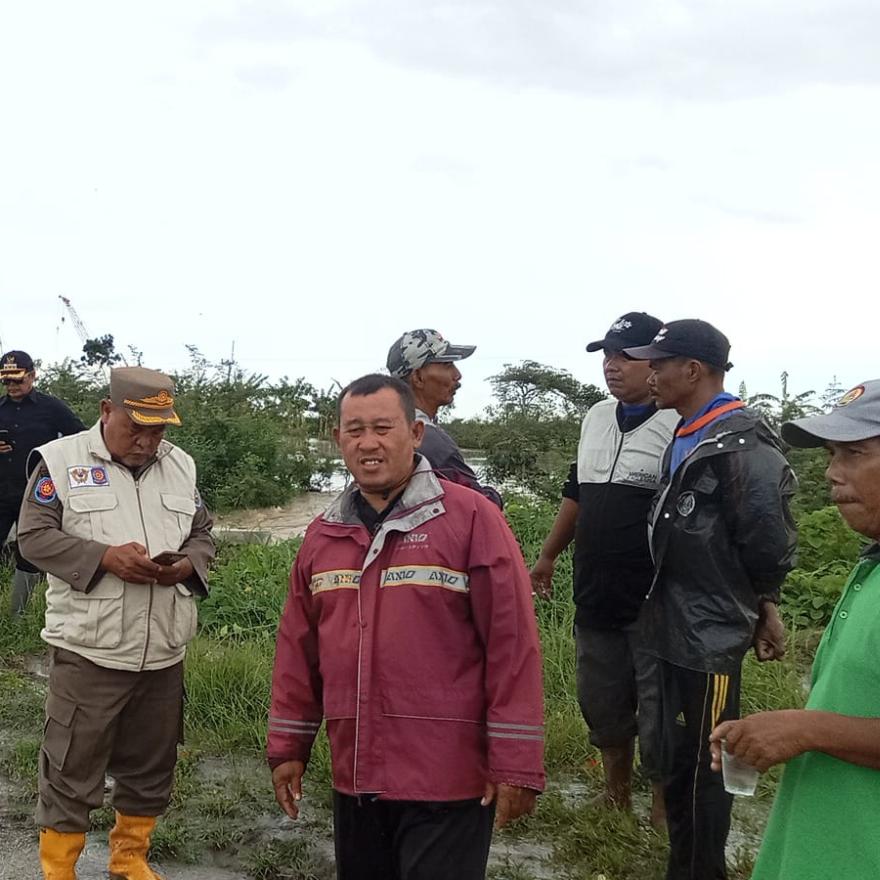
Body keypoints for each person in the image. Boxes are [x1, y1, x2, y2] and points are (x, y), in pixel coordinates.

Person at [268, 374, 544, 880]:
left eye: (382, 427)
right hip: (356, 774)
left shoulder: (472, 519)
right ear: (338, 440)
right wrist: (288, 746)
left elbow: (513, 646)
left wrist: (517, 761)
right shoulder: (323, 534)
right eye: (354, 430)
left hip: (449, 779)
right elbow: (298, 650)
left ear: (416, 433)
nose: (368, 443)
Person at [16, 366, 214, 880]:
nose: (148, 443)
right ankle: (59, 870)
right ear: (107, 412)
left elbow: (203, 532)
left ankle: (129, 860)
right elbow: (32, 538)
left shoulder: (181, 466)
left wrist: (189, 565)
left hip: (164, 652)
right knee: (70, 767)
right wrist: (105, 557)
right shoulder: (61, 463)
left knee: (151, 766)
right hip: (89, 651)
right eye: (137, 429)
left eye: (159, 431)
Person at [623, 320, 797, 880]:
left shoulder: (741, 440)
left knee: (710, 760)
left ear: (692, 370)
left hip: (713, 629)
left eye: (659, 363)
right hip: (671, 620)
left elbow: (766, 535)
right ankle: (684, 863)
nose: (650, 374)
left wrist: (764, 602)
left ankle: (702, 870)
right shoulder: (687, 430)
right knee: (676, 755)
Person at [710, 379, 880, 880]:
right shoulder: (870, 565)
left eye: (853, 454)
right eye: (832, 454)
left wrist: (807, 729)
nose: (831, 474)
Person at [530, 312, 677, 826]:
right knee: (602, 701)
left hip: (655, 598)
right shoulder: (595, 417)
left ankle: (662, 810)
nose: (613, 367)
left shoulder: (679, 423)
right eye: (607, 357)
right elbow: (577, 493)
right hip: (595, 592)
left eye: (626, 357)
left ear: (656, 363)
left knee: (659, 708)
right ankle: (616, 793)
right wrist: (548, 555)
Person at [0, 350, 85, 614]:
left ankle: (18, 616)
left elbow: (80, 438)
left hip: (35, 495)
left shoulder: (52, 408)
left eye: (18, 380)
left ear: (32, 376)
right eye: (7, 381)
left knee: (29, 554)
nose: (12, 386)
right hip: (2, 491)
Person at [386, 328, 503, 507]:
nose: (457, 375)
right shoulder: (430, 440)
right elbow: (479, 505)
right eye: (447, 365)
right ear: (418, 377)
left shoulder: (385, 429)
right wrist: (495, 497)